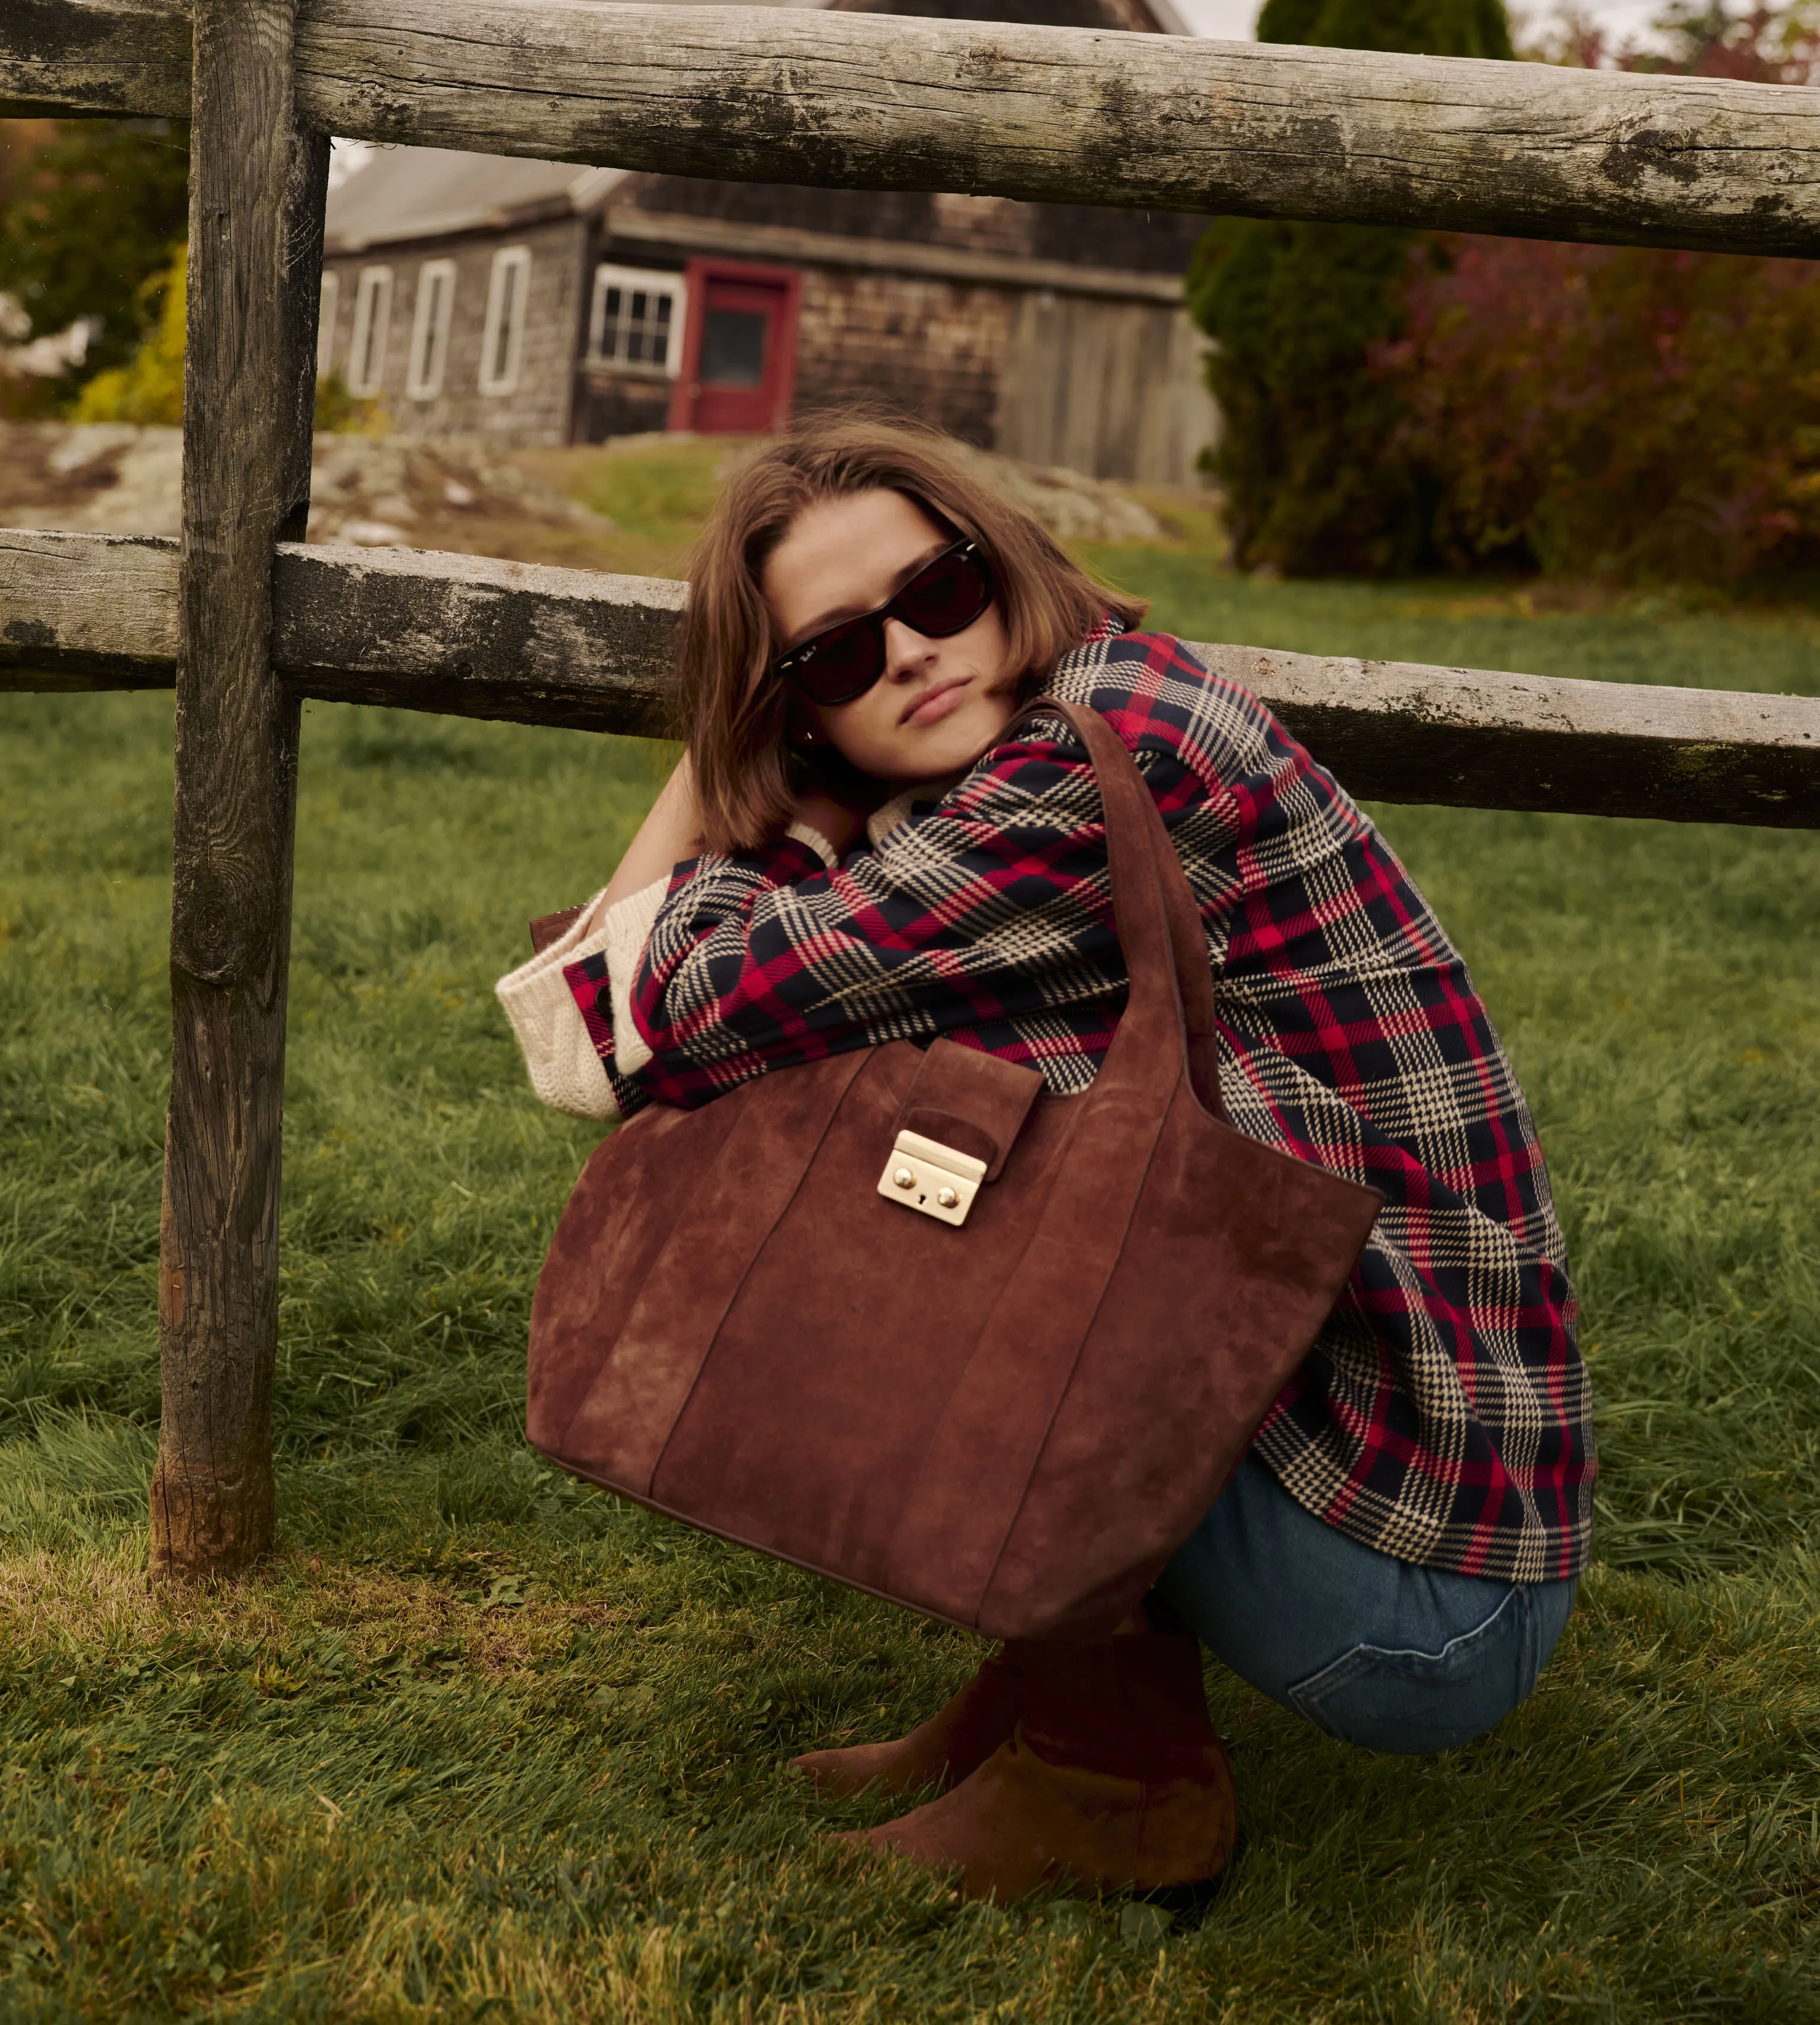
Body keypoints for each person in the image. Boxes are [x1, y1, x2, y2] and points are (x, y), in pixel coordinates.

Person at [496, 415, 1592, 1907]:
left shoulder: (1104, 756)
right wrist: (783, 778)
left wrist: (743, 768)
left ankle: (1114, 1779)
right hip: (1401, 1514)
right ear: (806, 710)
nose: (906, 655)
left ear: (999, 568)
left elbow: (635, 1024)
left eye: (936, 591)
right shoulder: (1035, 741)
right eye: (831, 659)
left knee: (873, 1150)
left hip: (1425, 1606)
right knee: (916, 1129)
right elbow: (612, 1018)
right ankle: (1067, 1700)